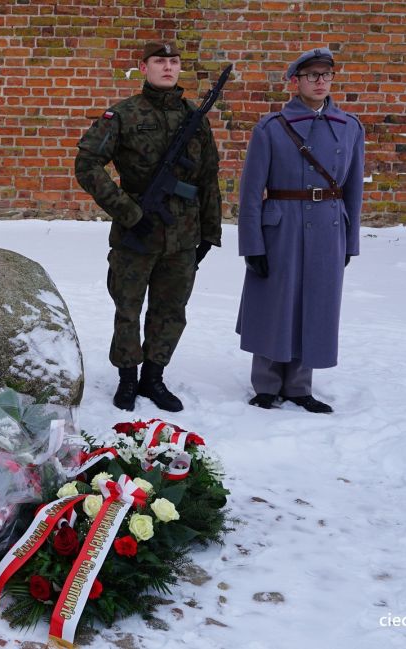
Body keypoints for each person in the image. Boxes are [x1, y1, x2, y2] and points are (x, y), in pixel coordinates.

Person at [75, 40, 222, 413]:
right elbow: (88, 165)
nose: (168, 67)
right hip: (136, 232)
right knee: (128, 307)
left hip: (183, 234)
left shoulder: (195, 117)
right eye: (159, 61)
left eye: (173, 61)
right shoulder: (122, 115)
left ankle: (154, 377)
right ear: (144, 67)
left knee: (171, 309)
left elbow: (208, 178)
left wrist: (209, 233)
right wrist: (128, 212)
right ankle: (127, 377)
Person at [236, 48, 363, 413]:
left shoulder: (350, 127)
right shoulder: (272, 128)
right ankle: (266, 384)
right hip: (282, 224)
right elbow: (250, 191)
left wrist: (350, 242)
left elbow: (354, 189)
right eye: (312, 76)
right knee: (275, 301)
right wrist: (251, 244)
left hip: (328, 226)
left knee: (316, 303)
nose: (320, 82)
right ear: (297, 81)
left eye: (326, 75)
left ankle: (299, 386)